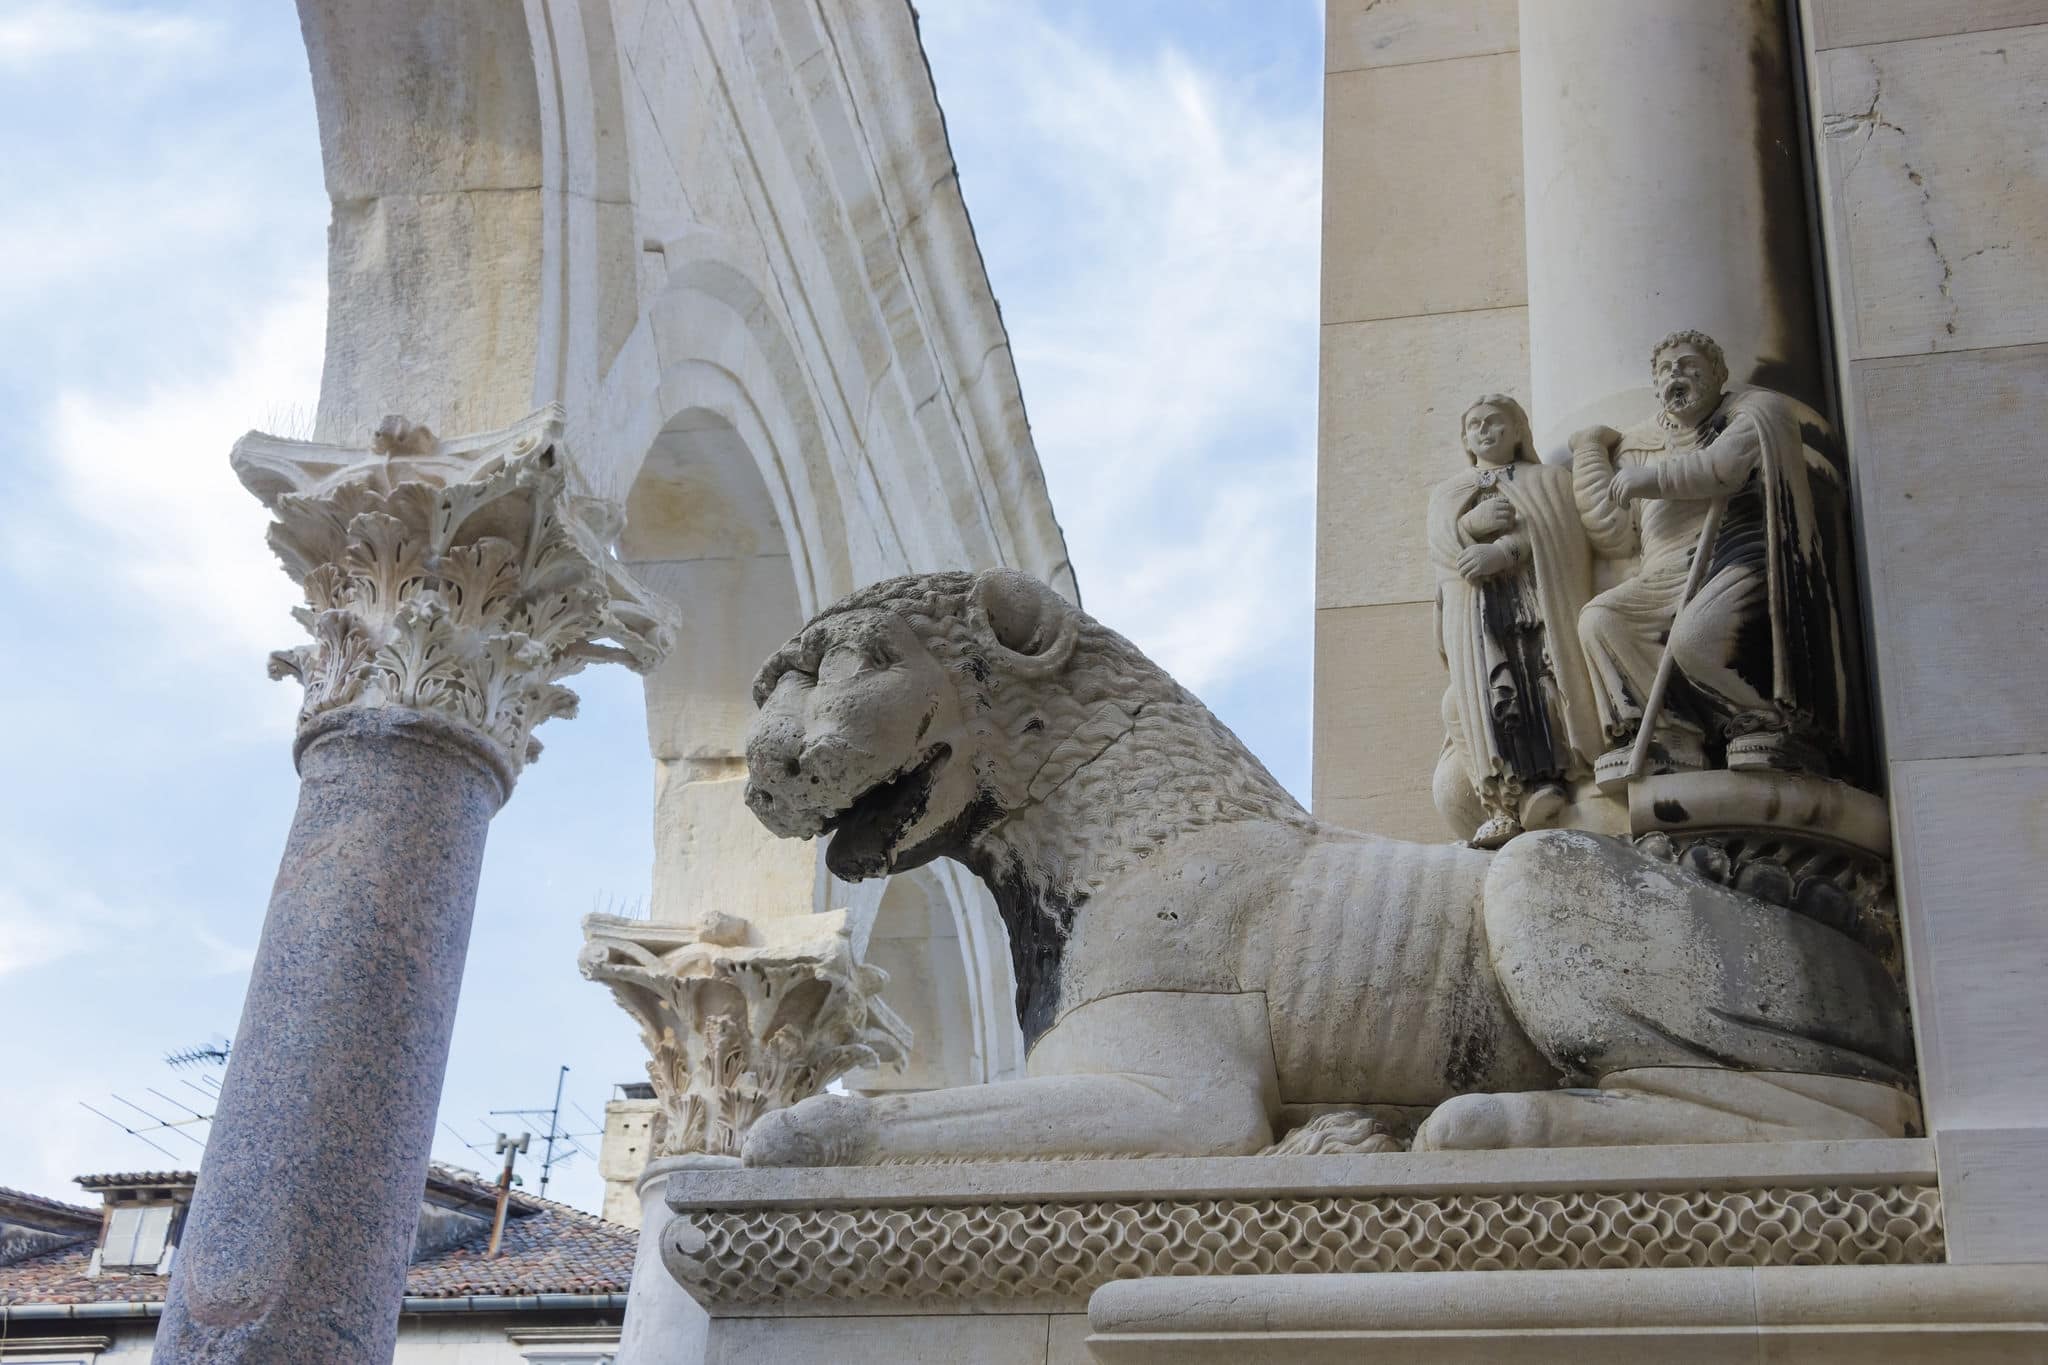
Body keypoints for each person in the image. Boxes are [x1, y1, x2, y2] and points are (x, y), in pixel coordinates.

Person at [1572, 330, 1860, 782]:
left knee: (1696, 638)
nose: (1677, 375)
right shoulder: (1639, 445)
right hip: (1663, 573)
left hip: (1737, 555)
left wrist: (1650, 480)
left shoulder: (1754, 412)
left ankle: (1772, 723)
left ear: (1719, 375)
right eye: (1666, 369)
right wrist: (1590, 451)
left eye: (1689, 365)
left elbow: (1721, 470)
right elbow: (1612, 534)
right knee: (1600, 618)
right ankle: (1672, 733)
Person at [1427, 395, 1602, 848]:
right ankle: (1505, 800)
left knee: (1538, 682)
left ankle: (1550, 779)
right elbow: (1444, 550)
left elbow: (1560, 536)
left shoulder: (1547, 480)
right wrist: (1474, 527)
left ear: (1519, 430)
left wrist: (1505, 551)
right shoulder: (1448, 493)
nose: (1485, 431)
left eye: (1496, 422)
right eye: (1475, 425)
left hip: (1534, 606)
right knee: (1485, 697)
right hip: (1477, 613)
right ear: (1465, 438)